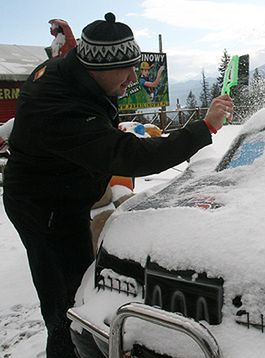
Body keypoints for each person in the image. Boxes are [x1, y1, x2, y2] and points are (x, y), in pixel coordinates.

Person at [2, 12, 233, 358]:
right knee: (67, 305)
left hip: (62, 196)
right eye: (125, 70)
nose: (132, 79)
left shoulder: (76, 71)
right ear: (96, 68)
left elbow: (98, 127)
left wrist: (103, 135)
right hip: (45, 208)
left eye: (134, 66)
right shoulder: (59, 106)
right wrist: (204, 128)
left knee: (82, 285)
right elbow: (130, 157)